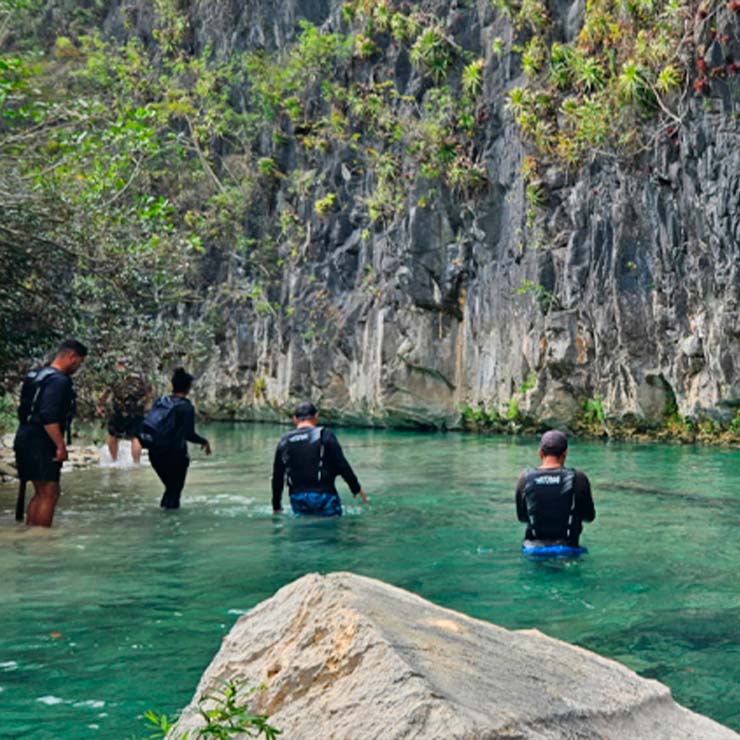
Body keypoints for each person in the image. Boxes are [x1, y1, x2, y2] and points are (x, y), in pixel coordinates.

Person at [13, 338, 88, 527]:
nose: (78, 367)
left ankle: (31, 533)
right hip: (42, 440)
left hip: (24, 435)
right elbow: (48, 416)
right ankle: (41, 539)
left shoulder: (36, 374)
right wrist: (60, 445)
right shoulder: (59, 381)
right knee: (50, 491)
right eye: (79, 362)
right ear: (72, 357)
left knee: (41, 491)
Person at [272, 402, 367, 516]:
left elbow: (277, 476)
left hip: (297, 497)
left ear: (295, 419)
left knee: (303, 529)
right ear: (316, 416)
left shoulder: (284, 441)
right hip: (324, 495)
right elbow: (342, 465)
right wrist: (355, 487)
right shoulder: (324, 435)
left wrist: (276, 505)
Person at [141, 367, 211, 509]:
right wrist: (204, 441)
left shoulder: (161, 401)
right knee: (174, 491)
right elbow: (189, 434)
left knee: (170, 489)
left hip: (155, 454)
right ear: (188, 388)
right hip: (175, 456)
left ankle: (164, 518)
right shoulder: (186, 407)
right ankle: (171, 526)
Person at [515, 430, 595, 551]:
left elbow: (522, 518)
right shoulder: (578, 478)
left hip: (532, 550)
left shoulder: (524, 478)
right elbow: (589, 516)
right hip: (567, 549)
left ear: (540, 453)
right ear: (565, 453)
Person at [96, 358, 152, 464]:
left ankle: (114, 460)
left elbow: (105, 392)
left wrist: (99, 405)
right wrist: (146, 405)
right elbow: (148, 391)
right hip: (136, 409)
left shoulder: (115, 376)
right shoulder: (140, 376)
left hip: (119, 409)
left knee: (113, 434)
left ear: (121, 365)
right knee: (135, 437)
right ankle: (136, 462)